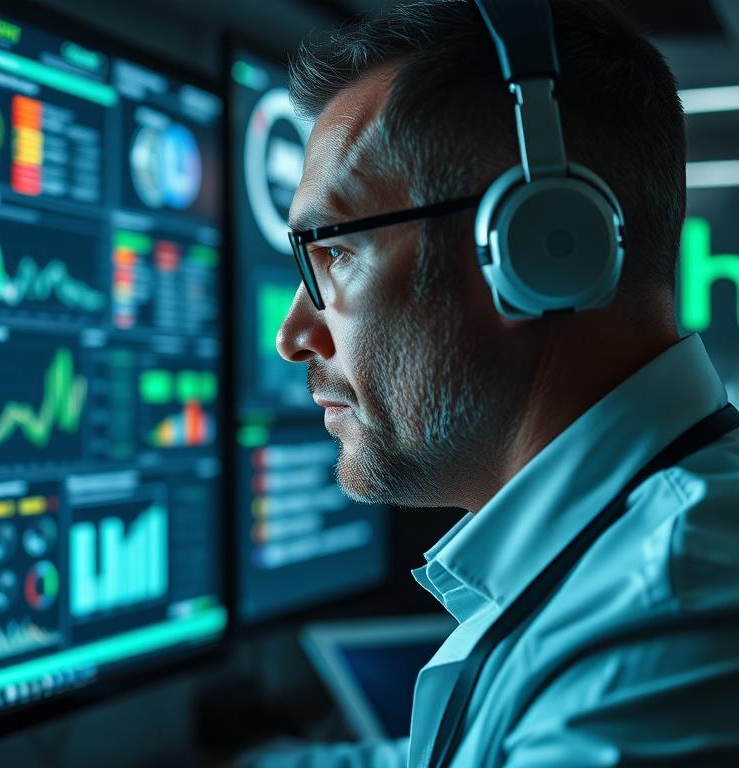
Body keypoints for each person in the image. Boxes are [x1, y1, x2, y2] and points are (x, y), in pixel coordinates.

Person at [249, 0, 739, 765]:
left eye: (334, 255)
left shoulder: (666, 622)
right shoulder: (606, 555)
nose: (294, 336)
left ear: (537, 248)